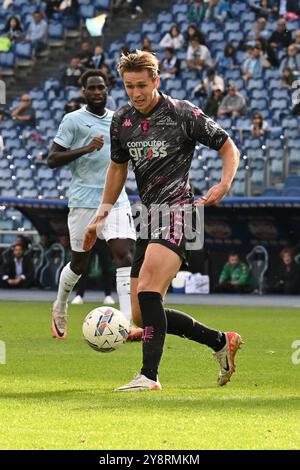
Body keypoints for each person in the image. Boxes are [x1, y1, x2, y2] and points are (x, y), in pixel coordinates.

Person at [83, 51, 242, 392]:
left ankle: (149, 376)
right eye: (129, 87)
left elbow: (228, 146)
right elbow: (117, 167)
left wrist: (224, 183)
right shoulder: (121, 121)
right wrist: (103, 211)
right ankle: (219, 341)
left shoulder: (181, 112)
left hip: (179, 211)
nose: (136, 93)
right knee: (142, 314)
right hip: (148, 215)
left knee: (150, 289)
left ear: (156, 80)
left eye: (142, 85)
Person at [48, 69, 137, 340]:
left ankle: (127, 324)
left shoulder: (119, 119)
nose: (98, 92)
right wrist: (86, 149)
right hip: (83, 202)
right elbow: (52, 158)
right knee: (79, 264)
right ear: (83, 91)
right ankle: (61, 305)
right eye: (92, 88)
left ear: (108, 89)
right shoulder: (73, 121)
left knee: (126, 255)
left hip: (115, 200)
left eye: (102, 87)